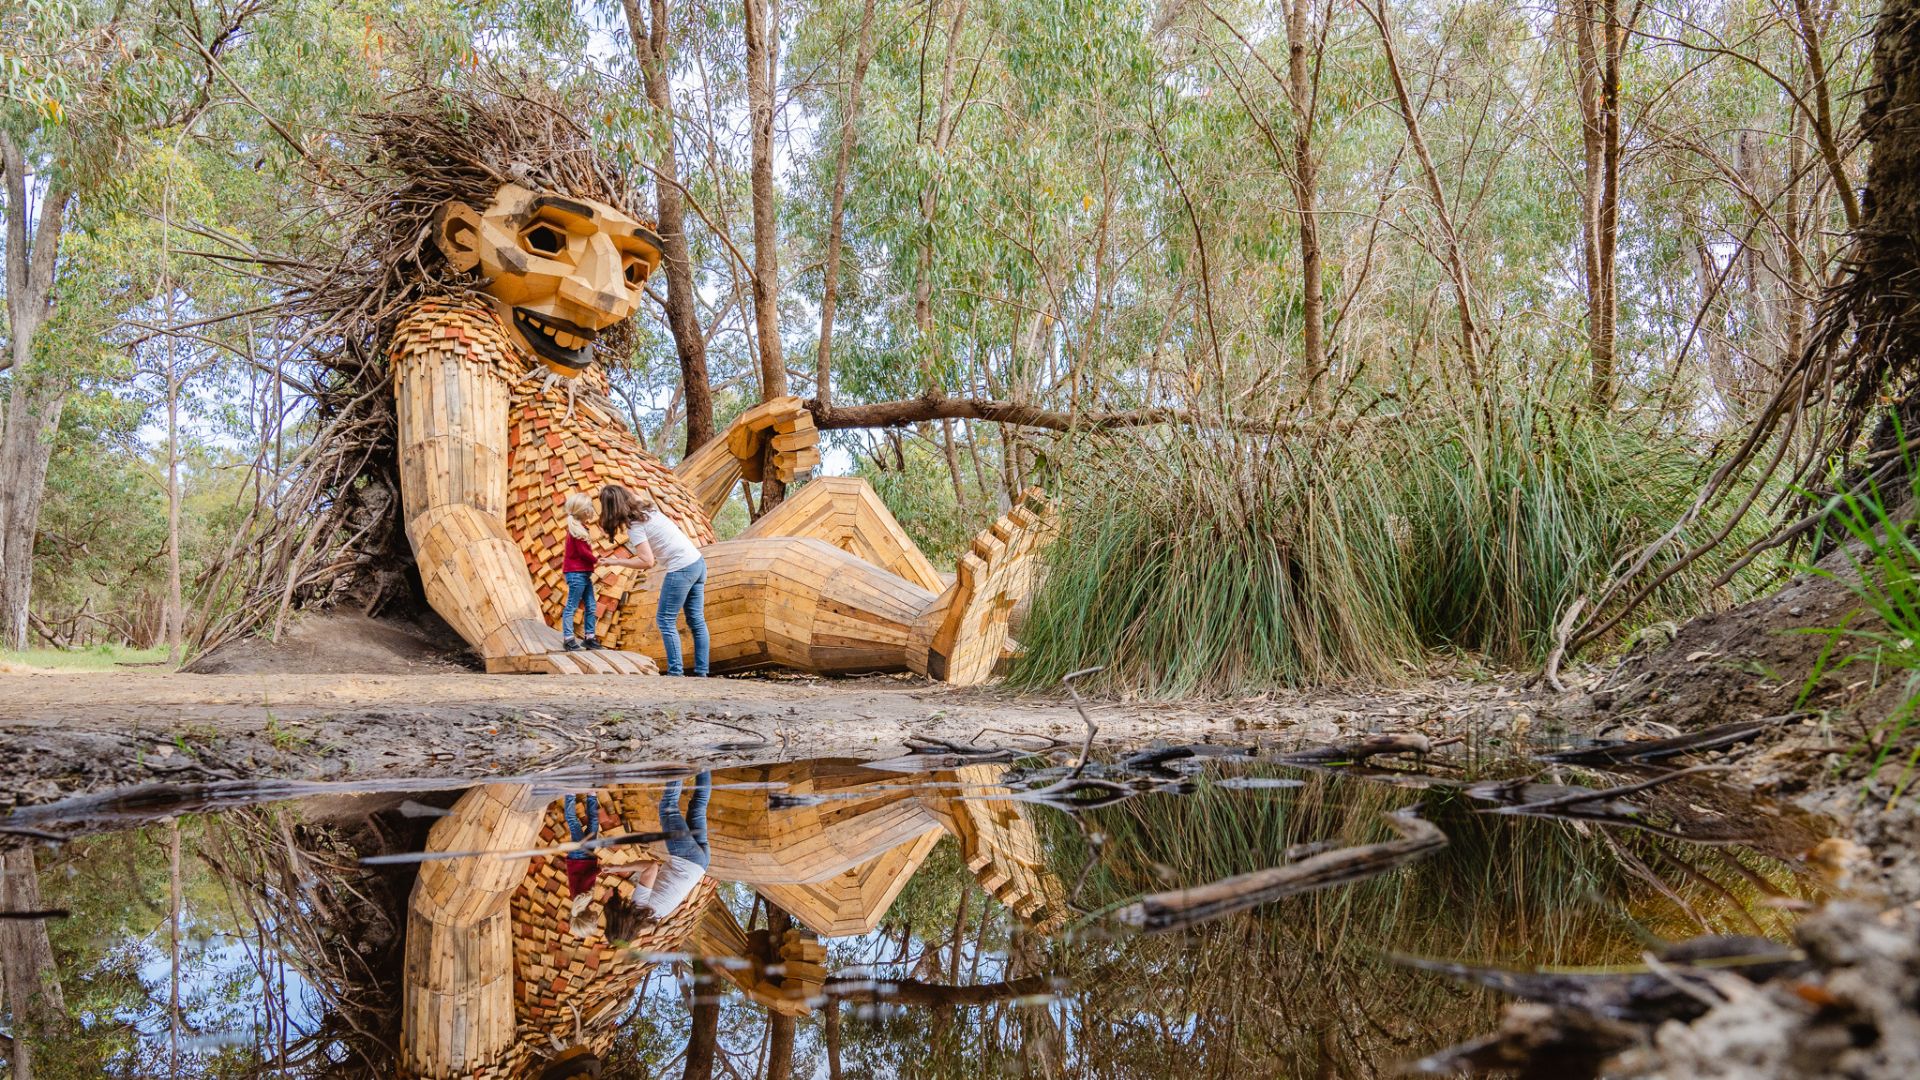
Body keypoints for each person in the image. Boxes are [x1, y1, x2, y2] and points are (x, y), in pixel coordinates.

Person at [598, 485, 709, 676]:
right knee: (697, 621)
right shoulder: (649, 510)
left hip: (681, 568)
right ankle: (702, 673)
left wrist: (616, 561)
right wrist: (611, 490)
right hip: (698, 563)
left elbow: (647, 561)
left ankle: (676, 673)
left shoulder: (636, 526)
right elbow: (634, 494)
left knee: (665, 620)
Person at [607, 772, 711, 942]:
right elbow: (652, 867)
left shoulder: (651, 918)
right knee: (668, 806)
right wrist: (618, 868)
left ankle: (704, 763)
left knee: (698, 806)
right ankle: (678, 761)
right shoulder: (638, 907)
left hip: (701, 865)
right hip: (687, 859)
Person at [559, 493, 604, 652]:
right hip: (576, 574)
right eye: (590, 507)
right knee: (571, 606)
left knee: (591, 605)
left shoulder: (580, 528)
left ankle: (589, 637)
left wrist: (594, 560)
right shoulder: (576, 531)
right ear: (585, 511)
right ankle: (568, 639)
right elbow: (584, 553)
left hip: (583, 573)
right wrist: (597, 559)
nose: (593, 510)